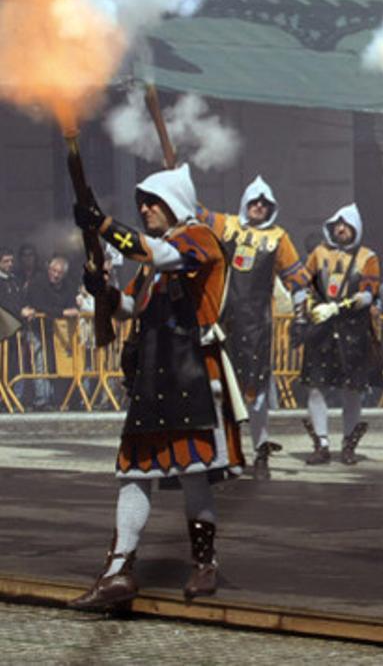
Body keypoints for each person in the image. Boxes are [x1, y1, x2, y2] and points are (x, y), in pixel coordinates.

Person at [67, 163, 247, 609]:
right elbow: (130, 307)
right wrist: (103, 291)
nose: (145, 209)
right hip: (154, 373)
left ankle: (204, 565)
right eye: (141, 203)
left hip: (190, 374)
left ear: (175, 204)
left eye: (152, 202)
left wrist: (104, 224)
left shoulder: (197, 240)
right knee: (133, 472)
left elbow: (162, 255)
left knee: (193, 474)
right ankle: (117, 571)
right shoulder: (153, 260)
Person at [199, 176, 309, 480]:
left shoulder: (278, 237)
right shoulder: (227, 225)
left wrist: (301, 317)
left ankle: (260, 451)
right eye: (254, 201)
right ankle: (223, 456)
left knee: (256, 393)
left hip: (257, 327)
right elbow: (193, 212)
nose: (259, 206)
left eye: (265, 203)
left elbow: (297, 280)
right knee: (219, 391)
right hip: (223, 325)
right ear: (246, 201)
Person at [298, 203, 383, 466]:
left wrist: (341, 305)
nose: (341, 229)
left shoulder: (368, 257)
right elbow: (301, 283)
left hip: (352, 332)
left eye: (346, 225)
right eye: (338, 225)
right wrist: (304, 310)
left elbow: (369, 293)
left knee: (352, 391)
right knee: (316, 388)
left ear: (355, 228)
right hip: (321, 331)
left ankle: (348, 444)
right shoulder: (319, 253)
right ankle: (321, 444)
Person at [20, 255, 80, 410]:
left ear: (64, 274)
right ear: (49, 269)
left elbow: (72, 303)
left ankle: (60, 398)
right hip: (37, 329)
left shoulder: (68, 285)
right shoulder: (38, 283)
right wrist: (63, 312)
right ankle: (42, 400)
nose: (56, 274)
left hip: (59, 331)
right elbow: (39, 306)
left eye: (59, 272)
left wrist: (71, 309)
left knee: (57, 364)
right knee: (40, 363)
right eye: (53, 271)